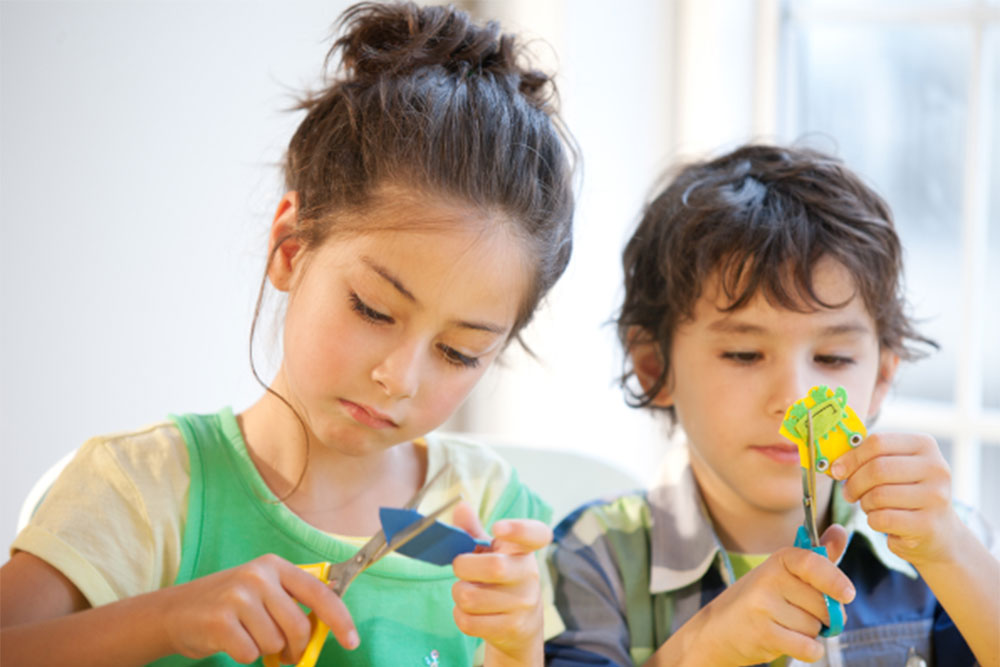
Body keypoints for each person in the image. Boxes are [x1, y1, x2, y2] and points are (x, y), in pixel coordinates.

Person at [0, 2, 576, 665]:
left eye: (458, 352)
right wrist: (165, 619)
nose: (400, 377)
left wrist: (517, 644)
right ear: (289, 248)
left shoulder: (493, 518)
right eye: (372, 308)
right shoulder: (146, 493)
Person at [544, 144, 999, 666]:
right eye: (744, 353)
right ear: (655, 366)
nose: (792, 400)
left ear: (882, 377)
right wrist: (702, 648)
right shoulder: (595, 557)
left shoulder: (943, 542)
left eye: (831, 357)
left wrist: (951, 552)